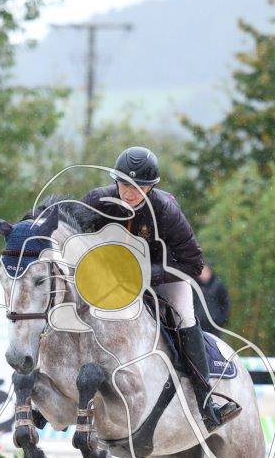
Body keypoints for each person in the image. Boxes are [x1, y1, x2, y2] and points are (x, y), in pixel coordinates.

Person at [75, 146, 237, 430]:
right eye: (125, 184)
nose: (130, 193)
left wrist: (145, 275)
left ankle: (206, 402)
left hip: (165, 279)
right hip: (110, 280)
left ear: (151, 187)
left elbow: (194, 263)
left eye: (139, 187)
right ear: (116, 181)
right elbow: (67, 230)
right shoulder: (98, 201)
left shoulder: (165, 209)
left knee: (185, 317)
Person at [194, 263, 230, 329]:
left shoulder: (218, 286)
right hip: (199, 325)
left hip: (214, 326)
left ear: (209, 271)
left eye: (204, 271)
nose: (202, 274)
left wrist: (220, 320)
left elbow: (225, 304)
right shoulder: (194, 286)